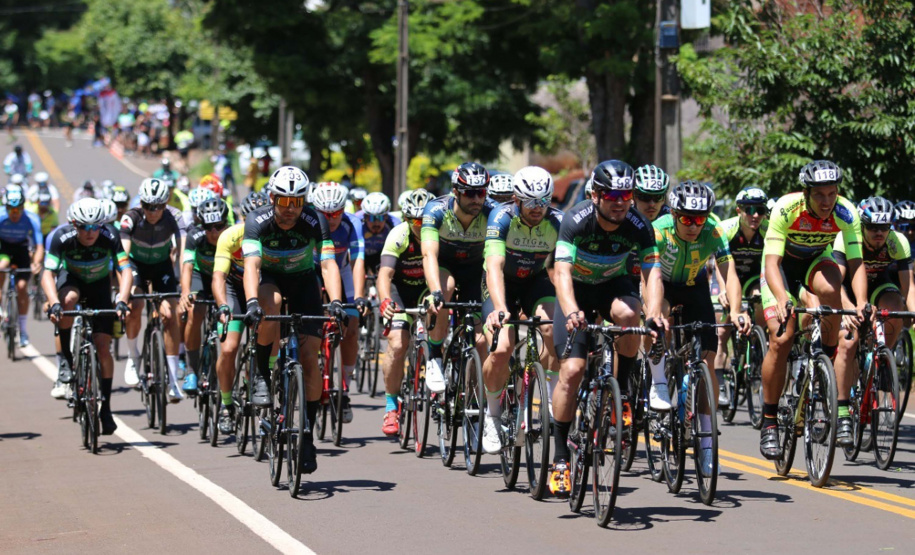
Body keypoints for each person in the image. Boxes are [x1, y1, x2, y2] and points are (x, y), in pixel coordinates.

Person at [549, 159, 665, 496]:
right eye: (611, 195)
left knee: (630, 315)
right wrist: (571, 311)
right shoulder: (575, 220)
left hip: (613, 285)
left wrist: (654, 313)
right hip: (577, 292)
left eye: (626, 195)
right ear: (596, 195)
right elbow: (562, 272)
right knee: (571, 371)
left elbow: (652, 273)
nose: (619, 202)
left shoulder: (639, 224)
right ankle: (559, 460)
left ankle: (624, 390)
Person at [758, 160, 867, 459]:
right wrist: (781, 298)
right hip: (780, 269)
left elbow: (856, 263)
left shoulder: (845, 212)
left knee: (832, 289)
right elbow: (771, 263)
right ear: (806, 193)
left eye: (832, 193)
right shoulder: (786, 208)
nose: (827, 201)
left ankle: (826, 362)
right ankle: (768, 421)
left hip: (816, 262)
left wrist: (859, 303)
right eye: (820, 195)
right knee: (782, 338)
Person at [241, 166, 345, 475]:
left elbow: (327, 263)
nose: (290, 210)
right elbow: (252, 265)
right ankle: (260, 372)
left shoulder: (316, 220)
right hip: (272, 280)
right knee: (269, 306)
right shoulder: (257, 221)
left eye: (297, 203)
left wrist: (337, 302)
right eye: (284, 203)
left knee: (310, 358)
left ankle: (308, 434)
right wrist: (250, 303)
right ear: (271, 198)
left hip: (303, 283)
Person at [652, 181, 750, 475]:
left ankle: (707, 443)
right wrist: (655, 313)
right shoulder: (659, 229)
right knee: (661, 320)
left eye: (700, 218)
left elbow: (728, 271)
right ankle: (659, 378)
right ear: (674, 213)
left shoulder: (713, 230)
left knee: (707, 361)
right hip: (664, 286)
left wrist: (735, 310)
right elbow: (650, 276)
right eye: (687, 218)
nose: (694, 225)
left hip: (695, 288)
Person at [481, 166, 563, 454]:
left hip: (535, 282)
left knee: (553, 329)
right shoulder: (500, 217)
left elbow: (570, 268)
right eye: (531, 202)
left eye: (544, 201)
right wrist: (501, 309)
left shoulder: (557, 221)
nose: (538, 208)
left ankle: (548, 397)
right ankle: (491, 415)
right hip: (502, 282)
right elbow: (494, 266)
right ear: (516, 199)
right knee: (503, 347)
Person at [44, 198, 131, 432]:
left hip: (100, 286)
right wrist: (53, 303)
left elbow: (125, 269)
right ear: (74, 225)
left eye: (95, 227)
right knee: (68, 301)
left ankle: (106, 408)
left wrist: (122, 299)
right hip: (71, 281)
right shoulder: (61, 237)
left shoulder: (110, 236)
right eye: (84, 227)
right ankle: (66, 361)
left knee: (103, 347)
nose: (90, 232)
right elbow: (47, 273)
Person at [421, 162, 495, 393]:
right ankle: (434, 354)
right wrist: (434, 293)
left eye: (481, 192)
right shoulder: (436, 210)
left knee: (481, 341)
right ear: (455, 191)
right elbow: (428, 254)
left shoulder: (493, 212)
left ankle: (474, 401)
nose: (476, 199)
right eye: (470, 193)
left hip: (475, 270)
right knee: (445, 289)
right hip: (445, 266)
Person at [834, 197, 914, 387]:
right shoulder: (847, 238)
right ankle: (845, 399)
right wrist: (847, 307)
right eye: (872, 227)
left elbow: (909, 287)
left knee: (896, 305)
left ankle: (884, 355)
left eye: (884, 227)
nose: (879, 232)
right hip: (847, 287)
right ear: (862, 225)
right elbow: (835, 282)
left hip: (878, 283)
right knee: (849, 341)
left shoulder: (897, 242)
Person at [210, 192, 269, 433]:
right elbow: (218, 277)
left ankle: (261, 377)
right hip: (235, 291)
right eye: (249, 218)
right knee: (229, 348)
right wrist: (223, 305)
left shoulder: (274, 237)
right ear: (242, 217)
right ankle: (225, 405)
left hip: (262, 289)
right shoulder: (230, 236)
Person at [120, 178, 185, 401]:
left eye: (157, 206)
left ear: (165, 204)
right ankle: (132, 356)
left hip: (161, 266)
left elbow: (184, 253)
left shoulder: (175, 217)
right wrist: (123, 291)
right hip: (136, 265)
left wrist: (183, 287)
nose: (152, 211)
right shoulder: (131, 218)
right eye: (147, 206)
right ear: (141, 203)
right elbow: (123, 256)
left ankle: (174, 379)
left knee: (170, 314)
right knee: (136, 305)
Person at [377, 189, 434, 435]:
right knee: (398, 344)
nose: (421, 226)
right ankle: (391, 407)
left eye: (426, 221)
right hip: (401, 292)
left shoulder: (439, 235)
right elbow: (384, 275)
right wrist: (385, 299)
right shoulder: (398, 235)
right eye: (415, 221)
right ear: (407, 220)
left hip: (429, 290)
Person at [311, 182, 366, 422]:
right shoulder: (309, 220)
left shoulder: (352, 223)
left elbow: (357, 262)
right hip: (311, 269)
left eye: (336, 213)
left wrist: (359, 297)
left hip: (341, 269)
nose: (331, 219)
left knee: (352, 327)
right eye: (325, 214)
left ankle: (344, 389)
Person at [713, 187, 769, 403]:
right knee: (721, 330)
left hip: (754, 278)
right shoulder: (726, 229)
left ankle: (756, 347)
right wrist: (723, 289)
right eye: (749, 209)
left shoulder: (767, 230)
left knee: (760, 302)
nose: (755, 215)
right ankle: (720, 384)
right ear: (739, 210)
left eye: (760, 210)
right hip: (727, 275)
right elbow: (720, 263)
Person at [179, 197, 230, 394]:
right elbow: (187, 267)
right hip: (202, 277)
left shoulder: (233, 235)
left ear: (226, 223)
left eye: (219, 226)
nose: (214, 232)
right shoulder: (195, 236)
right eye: (209, 227)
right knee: (195, 311)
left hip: (224, 277)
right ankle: (192, 370)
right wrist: (185, 292)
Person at [0, 187, 43, 346]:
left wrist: (36, 263)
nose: (15, 213)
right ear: (6, 208)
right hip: (2, 248)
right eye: (11, 209)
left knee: (22, 286)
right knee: (2, 265)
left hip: (21, 249)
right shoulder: (0, 216)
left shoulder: (32, 218)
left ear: (24, 207)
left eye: (18, 209)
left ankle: (23, 330)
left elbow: (39, 246)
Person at [357, 192, 401, 273]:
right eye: (371, 218)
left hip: (381, 255)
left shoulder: (396, 225)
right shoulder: (356, 221)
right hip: (360, 255)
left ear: (386, 217)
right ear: (365, 217)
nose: (376, 223)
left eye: (380, 218)